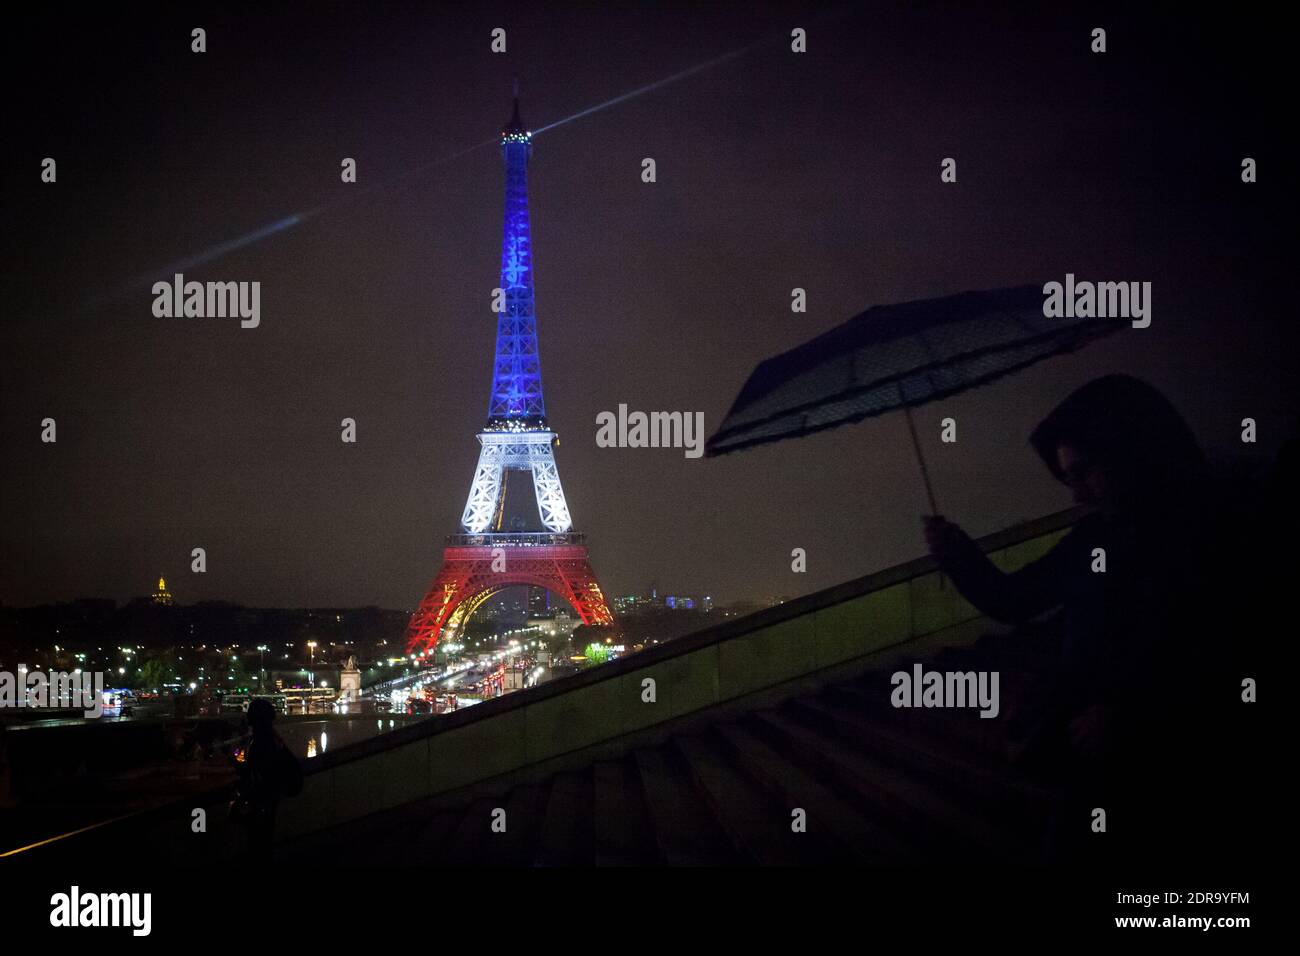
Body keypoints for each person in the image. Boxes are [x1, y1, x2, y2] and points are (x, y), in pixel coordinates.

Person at [922, 375, 1242, 864]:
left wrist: (1133, 714)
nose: (1077, 495)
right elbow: (1016, 598)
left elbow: (1217, 641)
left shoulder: (1214, 531)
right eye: (1069, 478)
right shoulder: (1096, 536)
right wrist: (959, 554)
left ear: (1132, 449)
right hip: (1093, 760)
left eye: (1086, 472)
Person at [231, 699, 302, 861]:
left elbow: (255, 770)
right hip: (271, 797)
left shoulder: (261, 742)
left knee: (258, 842)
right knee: (265, 840)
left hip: (263, 800)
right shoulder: (272, 739)